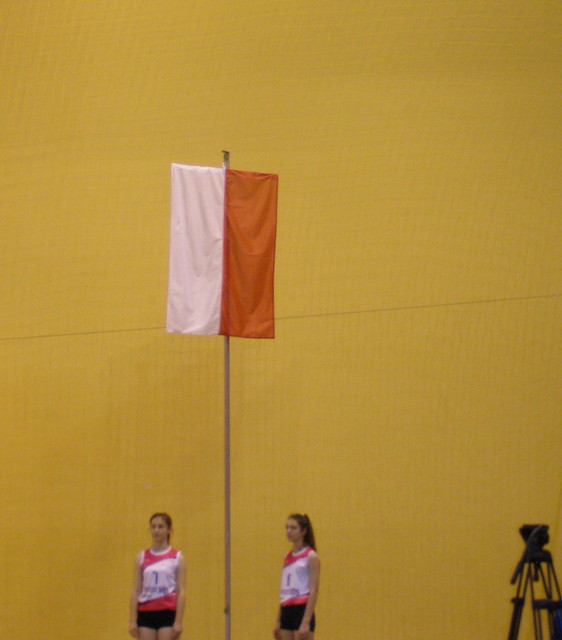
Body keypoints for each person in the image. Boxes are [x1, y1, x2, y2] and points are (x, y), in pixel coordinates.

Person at [129, 513, 186, 640]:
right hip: (146, 612)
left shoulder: (177, 557)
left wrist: (178, 621)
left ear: (169, 530)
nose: (156, 530)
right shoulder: (141, 557)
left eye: (160, 527)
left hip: (167, 611)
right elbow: (136, 590)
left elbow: (181, 591)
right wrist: (132, 620)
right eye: (153, 527)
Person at [273, 513, 320, 640]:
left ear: (303, 531)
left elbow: (314, 590)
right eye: (287, 527)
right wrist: (278, 620)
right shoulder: (287, 556)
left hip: (302, 609)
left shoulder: (311, 556)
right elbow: (284, 590)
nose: (289, 531)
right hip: (286, 609)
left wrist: (306, 621)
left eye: (293, 528)